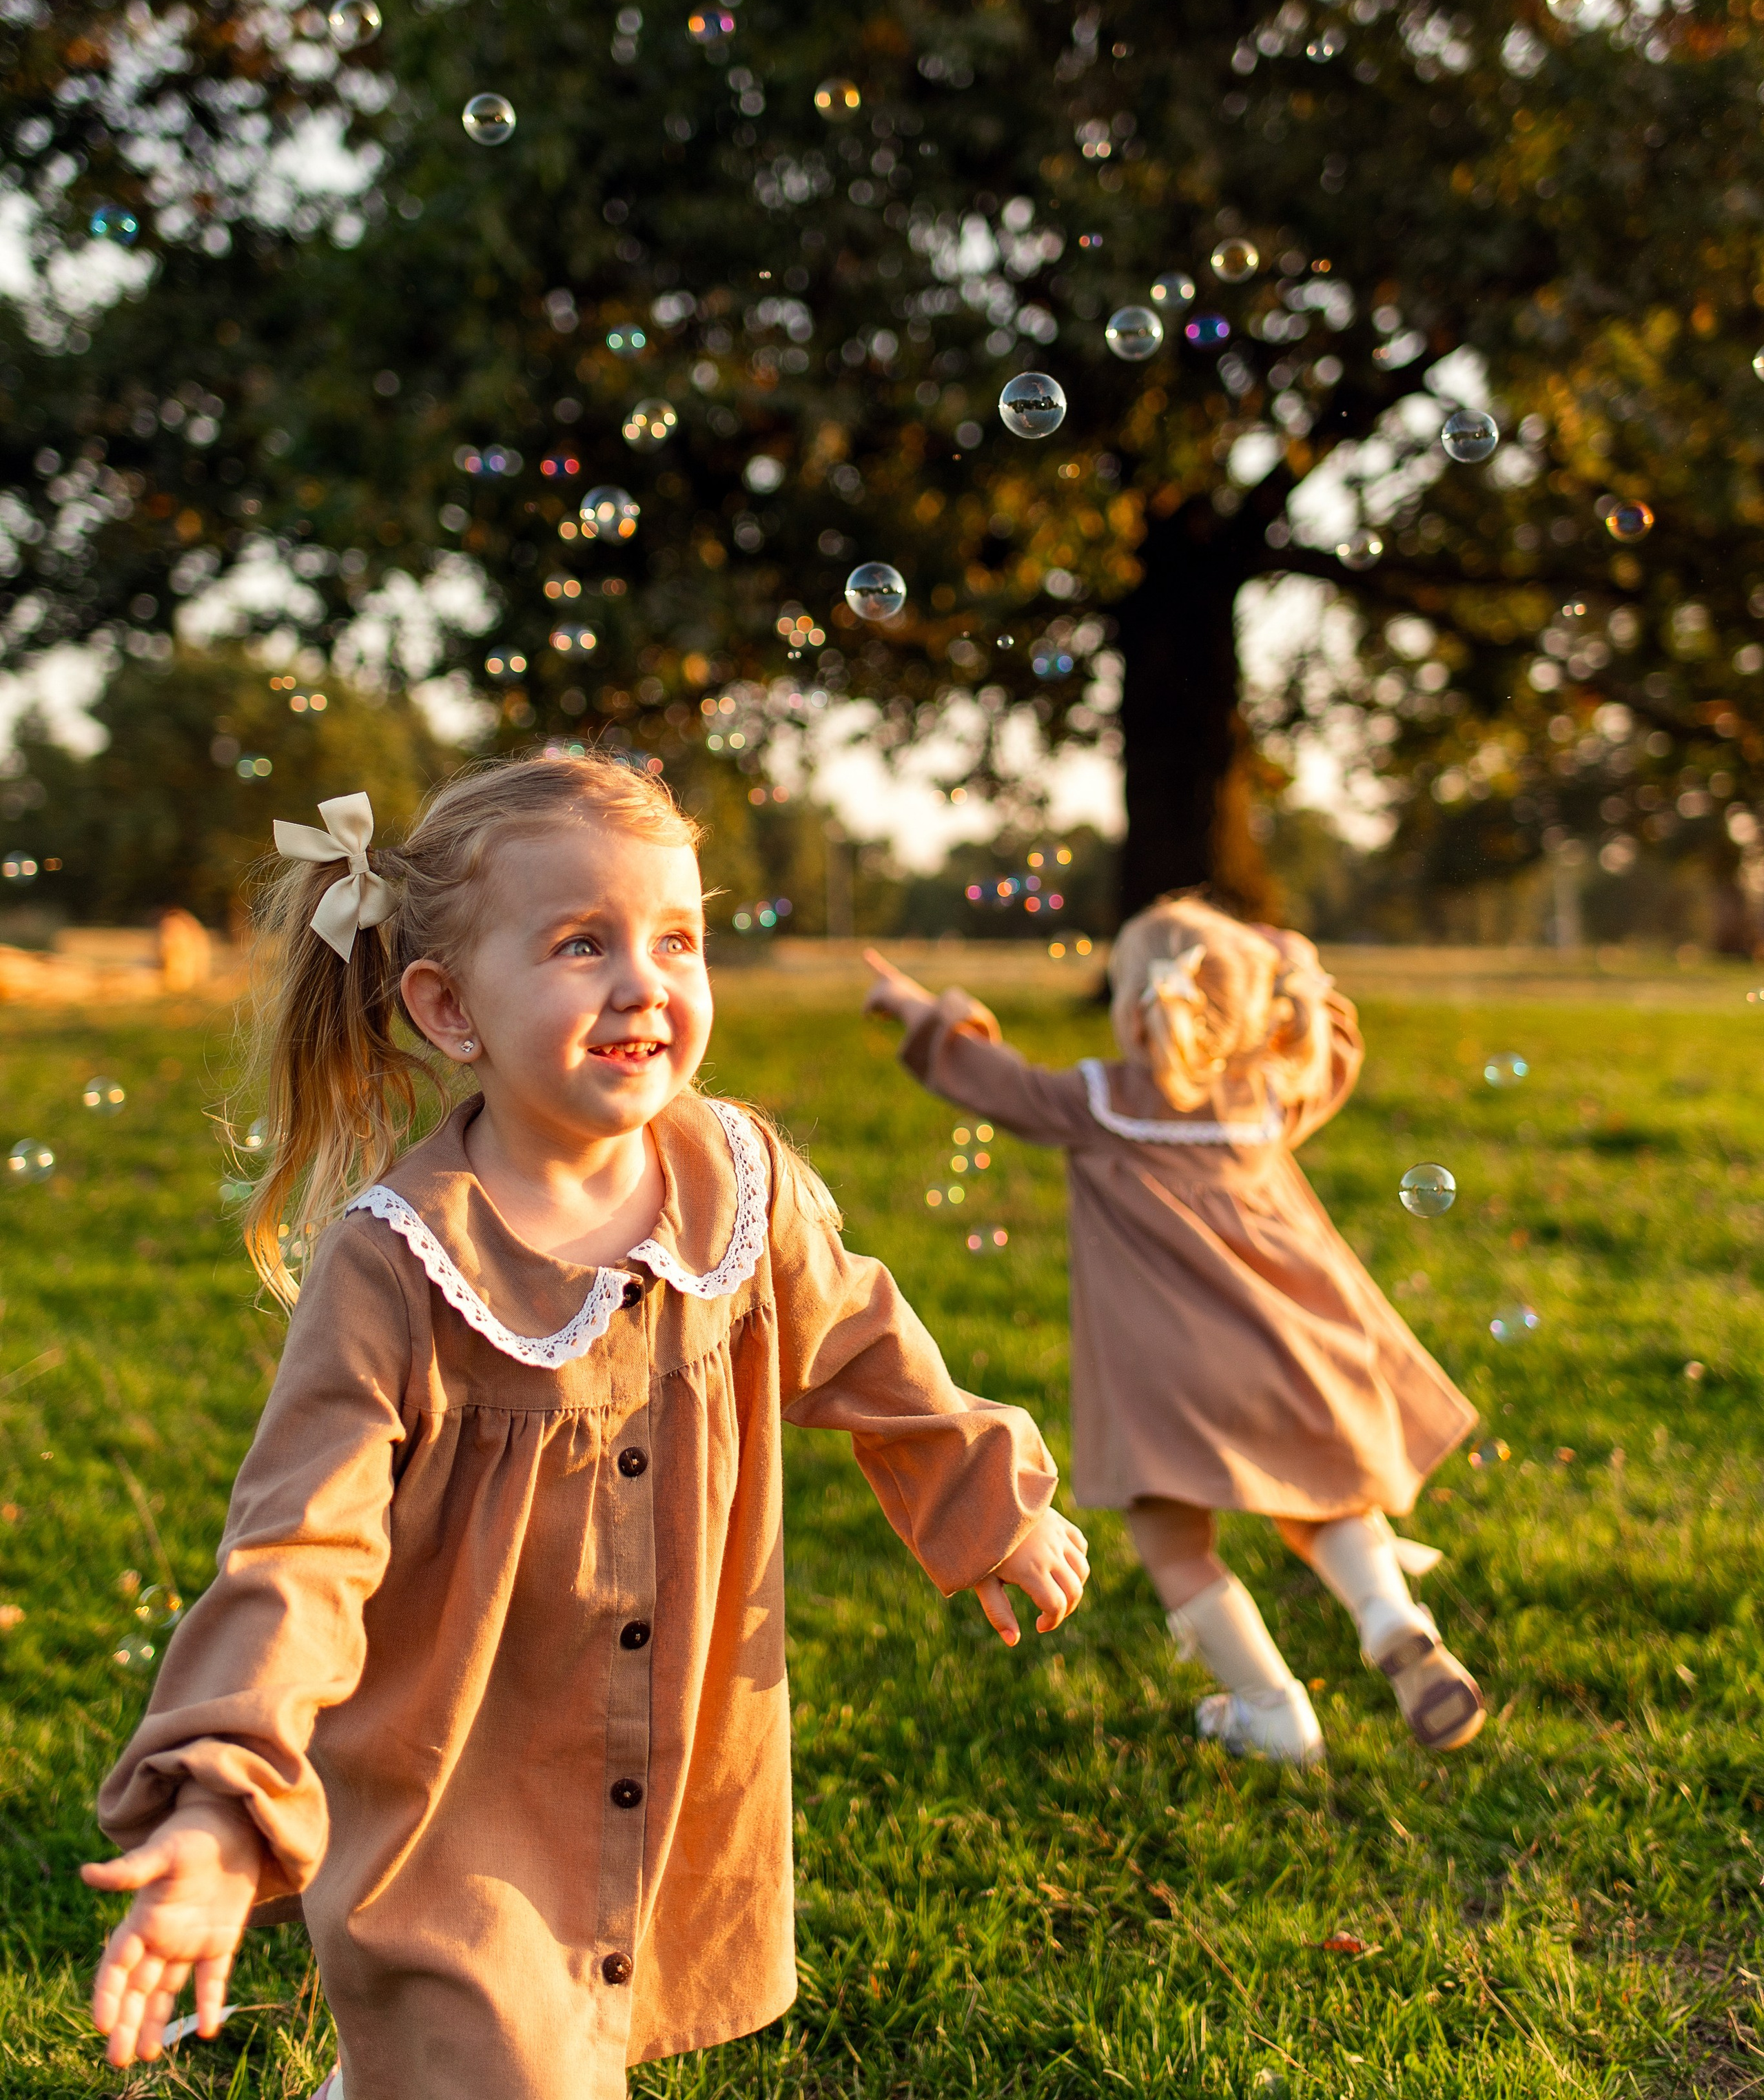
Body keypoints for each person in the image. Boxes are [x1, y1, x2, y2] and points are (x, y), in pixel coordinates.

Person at [84, 755, 1089, 2099]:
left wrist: (988, 1498)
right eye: (580, 943)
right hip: (454, 1782)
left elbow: (858, 1340)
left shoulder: (732, 1182)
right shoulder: (399, 1264)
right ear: (448, 1008)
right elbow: (297, 1554)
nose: (644, 982)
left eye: (677, 939)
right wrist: (219, 1805)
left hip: (656, 1757)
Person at [863, 895, 1484, 1768]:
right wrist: (1305, 970)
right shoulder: (1267, 1096)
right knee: (1329, 1506)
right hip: (1287, 1349)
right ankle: (1388, 1616)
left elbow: (987, 1077)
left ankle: (1271, 1709)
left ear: (1131, 1006)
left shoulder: (1096, 1099)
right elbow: (1331, 1053)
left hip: (1163, 1379)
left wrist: (926, 1009)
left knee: (1175, 1543)